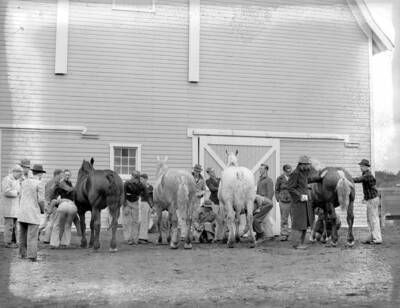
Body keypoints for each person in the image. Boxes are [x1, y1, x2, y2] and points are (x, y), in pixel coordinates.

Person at [287, 156, 326, 249]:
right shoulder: (295, 174)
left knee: (304, 223)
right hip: (298, 203)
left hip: (305, 203)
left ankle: (301, 243)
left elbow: (308, 180)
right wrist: (299, 196)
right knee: (299, 224)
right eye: (307, 165)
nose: (309, 166)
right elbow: (290, 188)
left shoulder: (303, 173)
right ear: (302, 165)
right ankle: (296, 244)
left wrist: (320, 178)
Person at [18, 164, 46, 261]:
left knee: (22, 235)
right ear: (40, 174)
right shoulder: (40, 183)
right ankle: (32, 256)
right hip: (33, 213)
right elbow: (41, 200)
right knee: (32, 236)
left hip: (22, 212)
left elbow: (20, 196)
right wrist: (43, 210)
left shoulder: (24, 182)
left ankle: (22, 254)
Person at [353, 159, 382, 244]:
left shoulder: (367, 175)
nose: (360, 168)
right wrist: (365, 198)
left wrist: (348, 178)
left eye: (362, 166)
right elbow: (367, 189)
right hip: (371, 199)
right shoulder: (366, 174)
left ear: (366, 167)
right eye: (360, 166)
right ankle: (372, 237)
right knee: (370, 219)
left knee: (373, 219)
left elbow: (359, 179)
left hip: (372, 200)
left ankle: (377, 239)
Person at [123, 171, 149, 245]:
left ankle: (134, 238)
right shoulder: (127, 183)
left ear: (137, 179)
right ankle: (128, 238)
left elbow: (146, 194)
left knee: (135, 221)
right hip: (127, 201)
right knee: (127, 221)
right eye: (131, 176)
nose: (131, 178)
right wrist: (125, 205)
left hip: (135, 202)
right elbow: (123, 194)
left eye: (133, 177)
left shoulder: (141, 185)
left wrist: (149, 203)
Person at [40, 169, 64, 243]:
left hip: (48, 203)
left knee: (46, 221)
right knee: (51, 221)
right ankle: (47, 239)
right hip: (51, 204)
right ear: (57, 175)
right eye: (61, 175)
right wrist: (50, 203)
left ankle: (39, 232)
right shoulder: (54, 183)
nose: (62, 177)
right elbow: (50, 193)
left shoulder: (49, 182)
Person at [2, 165, 23, 248]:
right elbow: (6, 192)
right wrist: (17, 193)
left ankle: (13, 241)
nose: (20, 176)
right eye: (19, 173)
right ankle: (8, 242)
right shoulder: (7, 179)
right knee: (9, 226)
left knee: (14, 225)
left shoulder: (16, 180)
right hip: (9, 206)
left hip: (14, 207)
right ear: (14, 172)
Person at [275, 164, 292, 241]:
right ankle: (284, 234)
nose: (289, 172)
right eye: (288, 171)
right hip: (283, 200)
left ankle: (294, 234)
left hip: (292, 200)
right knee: (284, 218)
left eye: (290, 170)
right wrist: (278, 198)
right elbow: (276, 189)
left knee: (294, 218)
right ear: (284, 171)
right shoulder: (280, 178)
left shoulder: (293, 178)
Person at [138, 173, 154, 244]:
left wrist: (152, 206)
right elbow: (146, 196)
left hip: (149, 204)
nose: (140, 180)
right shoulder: (140, 186)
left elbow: (151, 196)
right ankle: (141, 238)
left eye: (142, 179)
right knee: (144, 220)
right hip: (144, 203)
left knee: (147, 221)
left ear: (146, 179)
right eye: (140, 179)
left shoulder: (150, 186)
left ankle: (145, 237)